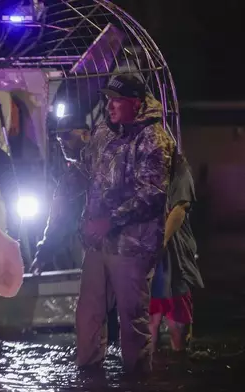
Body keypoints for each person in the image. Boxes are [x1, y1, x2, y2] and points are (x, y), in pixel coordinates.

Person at [76, 74, 175, 373]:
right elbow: (86, 168)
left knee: (132, 316)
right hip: (97, 242)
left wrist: (111, 220)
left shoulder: (154, 138)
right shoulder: (103, 131)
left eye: (116, 99)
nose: (110, 105)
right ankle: (88, 372)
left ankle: (136, 376)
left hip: (133, 244)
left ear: (135, 102)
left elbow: (153, 193)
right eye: (108, 99)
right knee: (89, 312)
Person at [149, 152, 204, 353]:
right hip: (151, 260)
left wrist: (160, 242)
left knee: (176, 325)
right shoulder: (140, 166)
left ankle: (179, 363)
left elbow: (180, 208)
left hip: (174, 256)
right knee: (151, 323)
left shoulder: (179, 167)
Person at [31, 117, 90, 273]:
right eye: (59, 138)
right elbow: (59, 217)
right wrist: (43, 254)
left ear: (86, 135)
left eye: (67, 136)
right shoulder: (70, 177)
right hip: (90, 251)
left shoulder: (106, 165)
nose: (62, 143)